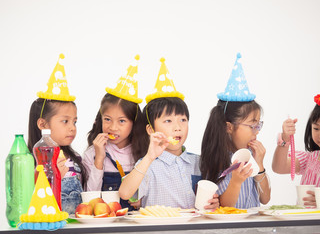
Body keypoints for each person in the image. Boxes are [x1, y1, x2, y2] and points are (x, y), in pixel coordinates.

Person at [119, 58, 219, 210]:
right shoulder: (148, 165)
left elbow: (210, 201)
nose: (178, 127)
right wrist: (149, 157)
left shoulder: (198, 162)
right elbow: (125, 193)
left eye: (183, 120)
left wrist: (214, 203)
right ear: (150, 130)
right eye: (168, 121)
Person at [200, 53, 271, 209]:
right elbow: (225, 208)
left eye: (258, 125)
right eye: (252, 126)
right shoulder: (217, 157)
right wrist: (235, 181)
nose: (256, 132)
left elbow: (265, 198)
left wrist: (259, 164)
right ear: (229, 127)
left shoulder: (250, 156)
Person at [83, 55, 147, 210]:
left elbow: (154, 194)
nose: (113, 127)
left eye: (122, 121)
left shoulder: (145, 154)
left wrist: (142, 201)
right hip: (104, 222)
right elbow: (89, 199)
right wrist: (99, 158)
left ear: (134, 123)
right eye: (107, 119)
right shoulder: (91, 153)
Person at [28, 54, 87, 214]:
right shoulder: (30, 163)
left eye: (74, 122)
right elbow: (31, 204)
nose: (72, 128)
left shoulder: (74, 160)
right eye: (65, 121)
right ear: (42, 124)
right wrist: (54, 178)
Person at [272, 94, 320, 207]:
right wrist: (285, 139)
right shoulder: (310, 158)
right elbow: (279, 167)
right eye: (316, 128)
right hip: (304, 223)